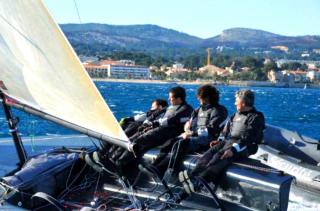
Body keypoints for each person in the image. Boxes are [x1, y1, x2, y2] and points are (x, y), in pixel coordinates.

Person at [179, 89, 265, 197]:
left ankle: (199, 183)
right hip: (228, 141)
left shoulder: (256, 117)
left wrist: (233, 150)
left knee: (218, 158)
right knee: (207, 155)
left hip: (244, 146)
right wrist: (219, 141)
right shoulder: (235, 115)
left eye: (236, 101)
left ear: (243, 103)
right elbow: (227, 133)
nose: (234, 103)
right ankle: (192, 177)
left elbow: (249, 138)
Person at [143, 84, 228, 177]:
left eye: (200, 98)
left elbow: (211, 129)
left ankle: (169, 170)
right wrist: (187, 128)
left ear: (207, 98)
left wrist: (191, 133)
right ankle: (155, 165)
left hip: (208, 138)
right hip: (193, 135)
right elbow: (189, 122)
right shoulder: (198, 109)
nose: (198, 99)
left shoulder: (219, 110)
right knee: (170, 142)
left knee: (180, 144)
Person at [115, 86, 194, 175]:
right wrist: (146, 122)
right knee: (130, 139)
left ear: (179, 98)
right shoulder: (169, 107)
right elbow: (154, 114)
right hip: (159, 130)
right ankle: (114, 158)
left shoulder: (186, 109)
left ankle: (120, 163)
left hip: (168, 133)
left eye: (171, 98)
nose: (169, 99)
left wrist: (154, 124)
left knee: (137, 141)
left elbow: (172, 119)